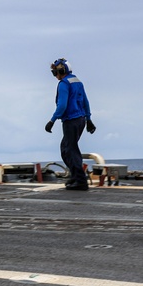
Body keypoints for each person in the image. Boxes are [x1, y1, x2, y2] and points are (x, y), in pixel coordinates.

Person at [45, 58, 96, 191]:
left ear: (61, 71)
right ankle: (75, 176)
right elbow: (85, 102)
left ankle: (80, 181)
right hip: (80, 120)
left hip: (71, 120)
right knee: (66, 148)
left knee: (70, 150)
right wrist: (88, 119)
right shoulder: (77, 81)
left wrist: (52, 121)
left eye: (55, 72)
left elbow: (62, 105)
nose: (55, 75)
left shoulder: (64, 83)